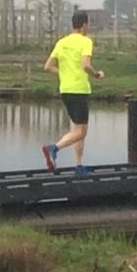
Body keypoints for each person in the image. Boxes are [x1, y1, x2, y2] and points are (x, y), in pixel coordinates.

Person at [40, 10, 104, 174]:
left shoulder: (61, 42)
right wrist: (96, 74)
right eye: (88, 24)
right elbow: (85, 64)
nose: (88, 27)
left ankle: (79, 165)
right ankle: (53, 148)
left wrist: (63, 73)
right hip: (79, 90)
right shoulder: (85, 41)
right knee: (81, 132)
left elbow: (47, 66)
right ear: (84, 25)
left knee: (77, 129)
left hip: (65, 89)